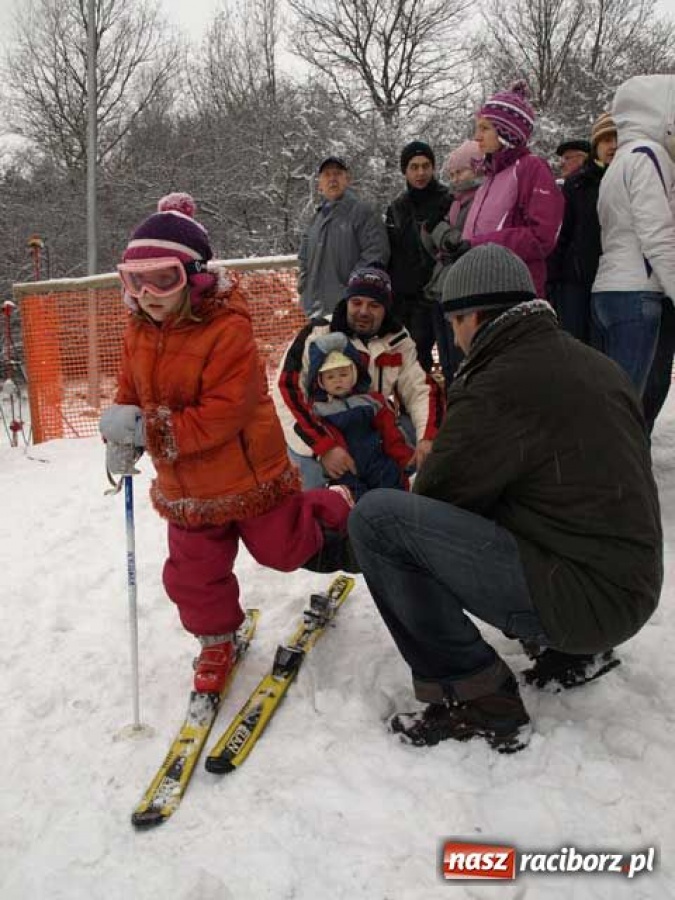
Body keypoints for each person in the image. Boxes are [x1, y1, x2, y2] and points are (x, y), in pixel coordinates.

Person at [348, 244, 662, 753]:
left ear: (474, 315)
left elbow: (436, 505)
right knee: (522, 490)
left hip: (587, 601)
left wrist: (333, 539)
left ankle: (475, 698)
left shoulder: (500, 382)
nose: (452, 336)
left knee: (377, 521)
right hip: (629, 586)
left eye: (453, 322)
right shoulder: (590, 363)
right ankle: (572, 653)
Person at [99, 193, 353, 694]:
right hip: (187, 489)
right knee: (192, 576)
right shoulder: (137, 333)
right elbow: (130, 394)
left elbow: (223, 413)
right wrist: (122, 433)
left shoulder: (228, 329)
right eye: (135, 280)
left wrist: (150, 432)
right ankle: (216, 641)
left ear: (194, 276)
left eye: (164, 278)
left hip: (249, 476)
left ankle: (325, 503)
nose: (149, 293)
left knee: (283, 551)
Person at [273, 264, 443, 489]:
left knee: (418, 456)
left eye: (374, 305)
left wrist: (427, 439)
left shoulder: (398, 340)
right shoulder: (318, 335)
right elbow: (286, 392)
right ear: (347, 302)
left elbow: (421, 390)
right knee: (314, 485)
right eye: (357, 303)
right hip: (324, 431)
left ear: (386, 308)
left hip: (373, 429)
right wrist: (324, 448)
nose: (363, 311)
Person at [592, 74, 675, 399]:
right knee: (628, 405)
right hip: (635, 294)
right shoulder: (647, 155)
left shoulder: (620, 161)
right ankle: (617, 453)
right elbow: (656, 234)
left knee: (613, 402)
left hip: (609, 292)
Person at [456, 81, 564, 298]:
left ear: (507, 132)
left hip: (515, 289)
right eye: (478, 128)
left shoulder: (530, 168)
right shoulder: (490, 176)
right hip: (481, 287)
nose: (477, 136)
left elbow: (541, 236)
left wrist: (478, 246)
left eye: (485, 128)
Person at [306, 331, 413, 499]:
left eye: (343, 374)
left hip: (376, 460)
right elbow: (314, 438)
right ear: (320, 381)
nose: (337, 380)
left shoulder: (371, 401)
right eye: (330, 377)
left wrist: (405, 458)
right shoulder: (318, 410)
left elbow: (391, 431)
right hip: (345, 468)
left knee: (393, 487)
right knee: (355, 500)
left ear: (355, 374)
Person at [547, 112, 618, 343]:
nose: (613, 146)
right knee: (575, 345)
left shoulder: (630, 177)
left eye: (617, 139)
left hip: (615, 278)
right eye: (607, 140)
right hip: (576, 281)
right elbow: (563, 234)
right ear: (596, 146)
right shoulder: (576, 184)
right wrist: (553, 279)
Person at [385, 140, 451, 371]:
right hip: (410, 301)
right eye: (414, 167)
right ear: (405, 170)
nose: (420, 172)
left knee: (451, 357)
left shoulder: (448, 200)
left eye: (426, 166)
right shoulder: (397, 208)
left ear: (433, 168)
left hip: (444, 293)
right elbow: (391, 254)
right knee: (414, 364)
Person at [422, 139, 484, 381]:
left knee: (462, 360)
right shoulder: (454, 203)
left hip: (463, 288)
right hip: (442, 286)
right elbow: (439, 248)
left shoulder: (478, 201)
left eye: (461, 171)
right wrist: (429, 230)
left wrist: (438, 230)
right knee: (448, 361)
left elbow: (459, 242)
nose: (456, 178)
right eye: (452, 173)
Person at [298, 155, 390, 317]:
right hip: (316, 310)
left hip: (351, 310)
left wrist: (352, 290)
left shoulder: (363, 213)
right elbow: (303, 258)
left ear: (347, 179)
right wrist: (304, 289)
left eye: (337, 174)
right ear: (319, 183)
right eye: (327, 175)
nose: (332, 179)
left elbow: (376, 255)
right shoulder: (316, 219)